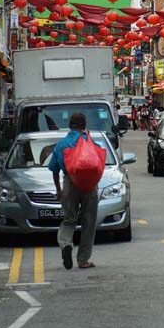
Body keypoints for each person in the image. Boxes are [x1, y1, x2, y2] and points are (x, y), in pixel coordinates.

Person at [49, 112, 100, 270]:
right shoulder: (88, 141)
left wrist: (58, 190)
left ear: (70, 125)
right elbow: (98, 161)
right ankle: (83, 260)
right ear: (84, 125)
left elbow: (54, 170)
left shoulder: (61, 144)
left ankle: (65, 244)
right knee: (88, 221)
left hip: (70, 182)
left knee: (69, 219)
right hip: (89, 184)